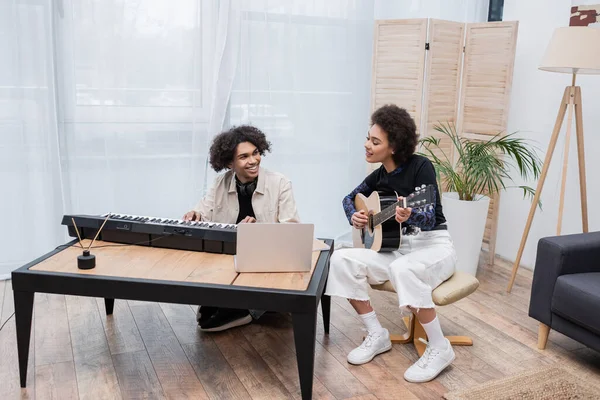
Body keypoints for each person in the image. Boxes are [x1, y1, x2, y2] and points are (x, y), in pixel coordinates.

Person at [325, 104, 457, 383]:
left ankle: (439, 347)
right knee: (340, 259)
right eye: (368, 138)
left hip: (432, 246)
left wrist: (412, 213)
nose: (367, 145)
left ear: (394, 146)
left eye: (375, 141)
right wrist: (357, 217)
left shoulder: (421, 167)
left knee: (404, 269)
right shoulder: (379, 176)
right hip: (395, 249)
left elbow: (430, 217)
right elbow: (349, 199)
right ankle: (376, 333)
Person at [183, 125, 300, 332]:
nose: (253, 160)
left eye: (255, 153)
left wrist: (258, 233)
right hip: (231, 257)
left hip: (267, 259)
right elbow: (204, 209)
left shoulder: (280, 183)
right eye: (244, 157)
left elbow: (291, 232)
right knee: (206, 319)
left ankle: (248, 310)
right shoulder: (220, 182)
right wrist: (195, 214)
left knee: (209, 322)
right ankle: (237, 304)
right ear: (230, 163)